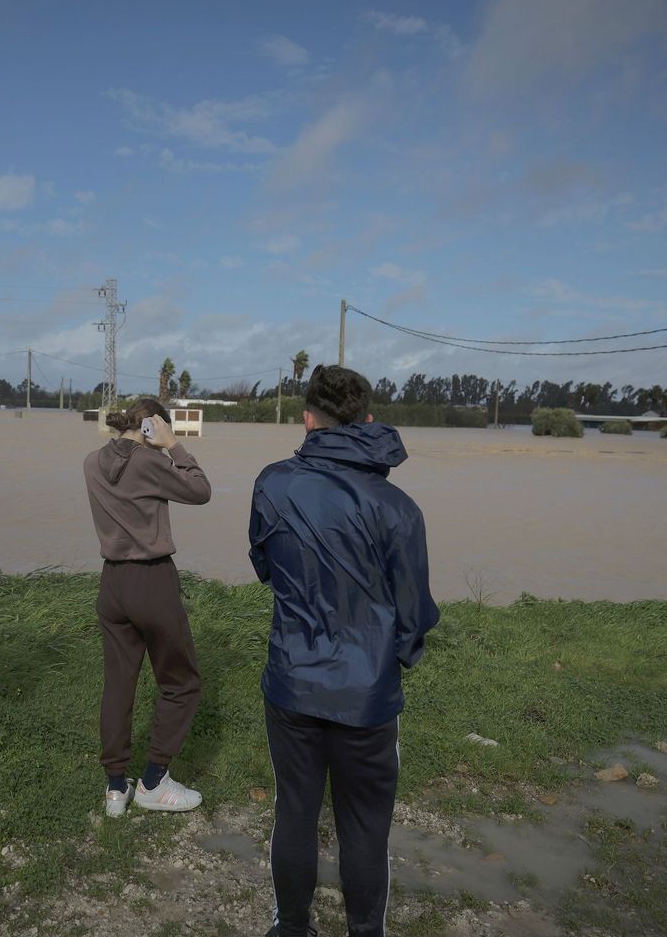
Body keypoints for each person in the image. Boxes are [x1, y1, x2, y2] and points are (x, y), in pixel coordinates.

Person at [248, 366, 441, 937]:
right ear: (369, 421)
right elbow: (415, 617)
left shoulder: (271, 483)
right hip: (366, 695)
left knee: (296, 811)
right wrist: (392, 656)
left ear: (308, 420)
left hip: (292, 683)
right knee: (364, 826)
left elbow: (264, 565)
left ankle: (291, 928)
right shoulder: (398, 507)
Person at [83, 397, 212, 818]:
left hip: (112, 582)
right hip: (151, 579)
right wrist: (173, 445)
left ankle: (115, 788)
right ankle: (154, 781)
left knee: (118, 683)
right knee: (180, 681)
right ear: (152, 425)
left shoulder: (90, 462)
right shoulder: (151, 462)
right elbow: (200, 490)